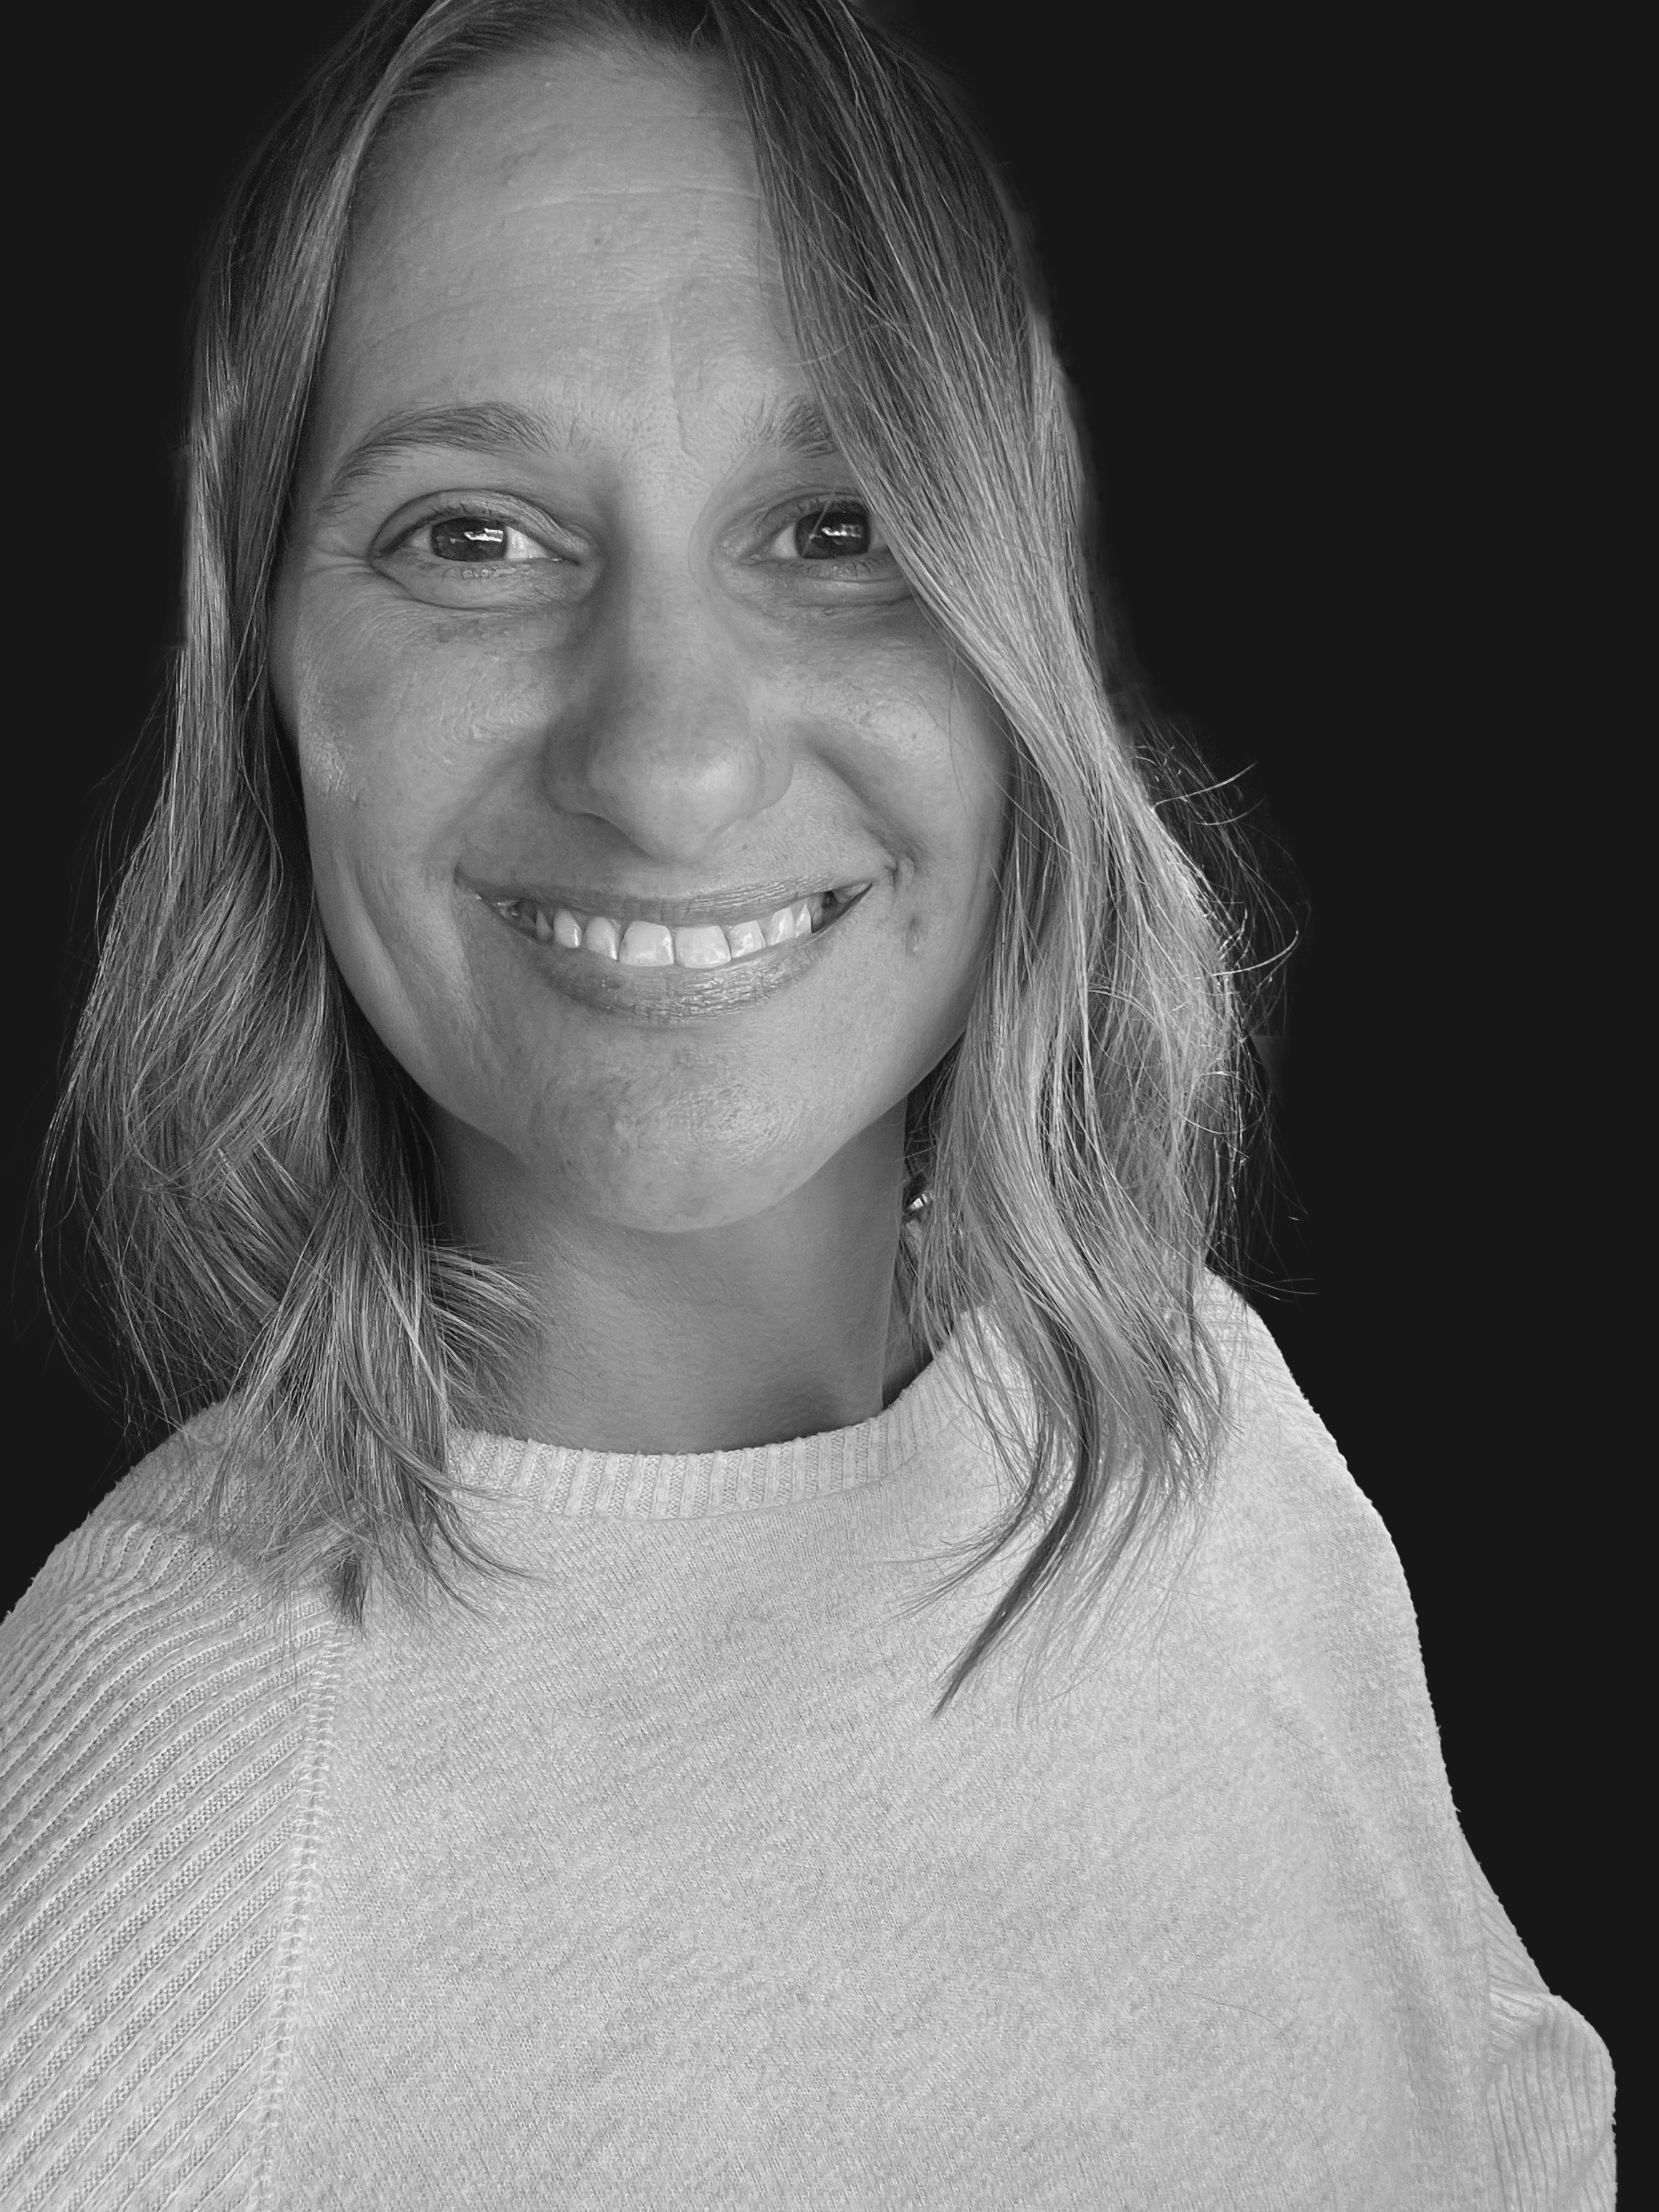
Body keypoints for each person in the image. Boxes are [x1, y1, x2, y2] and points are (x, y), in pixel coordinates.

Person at [0, 1, 1615, 2204]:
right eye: (471, 536)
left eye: (833, 523)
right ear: (268, 674)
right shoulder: (158, 1828)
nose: (667, 765)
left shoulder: (1187, 1423)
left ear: (1016, 638)